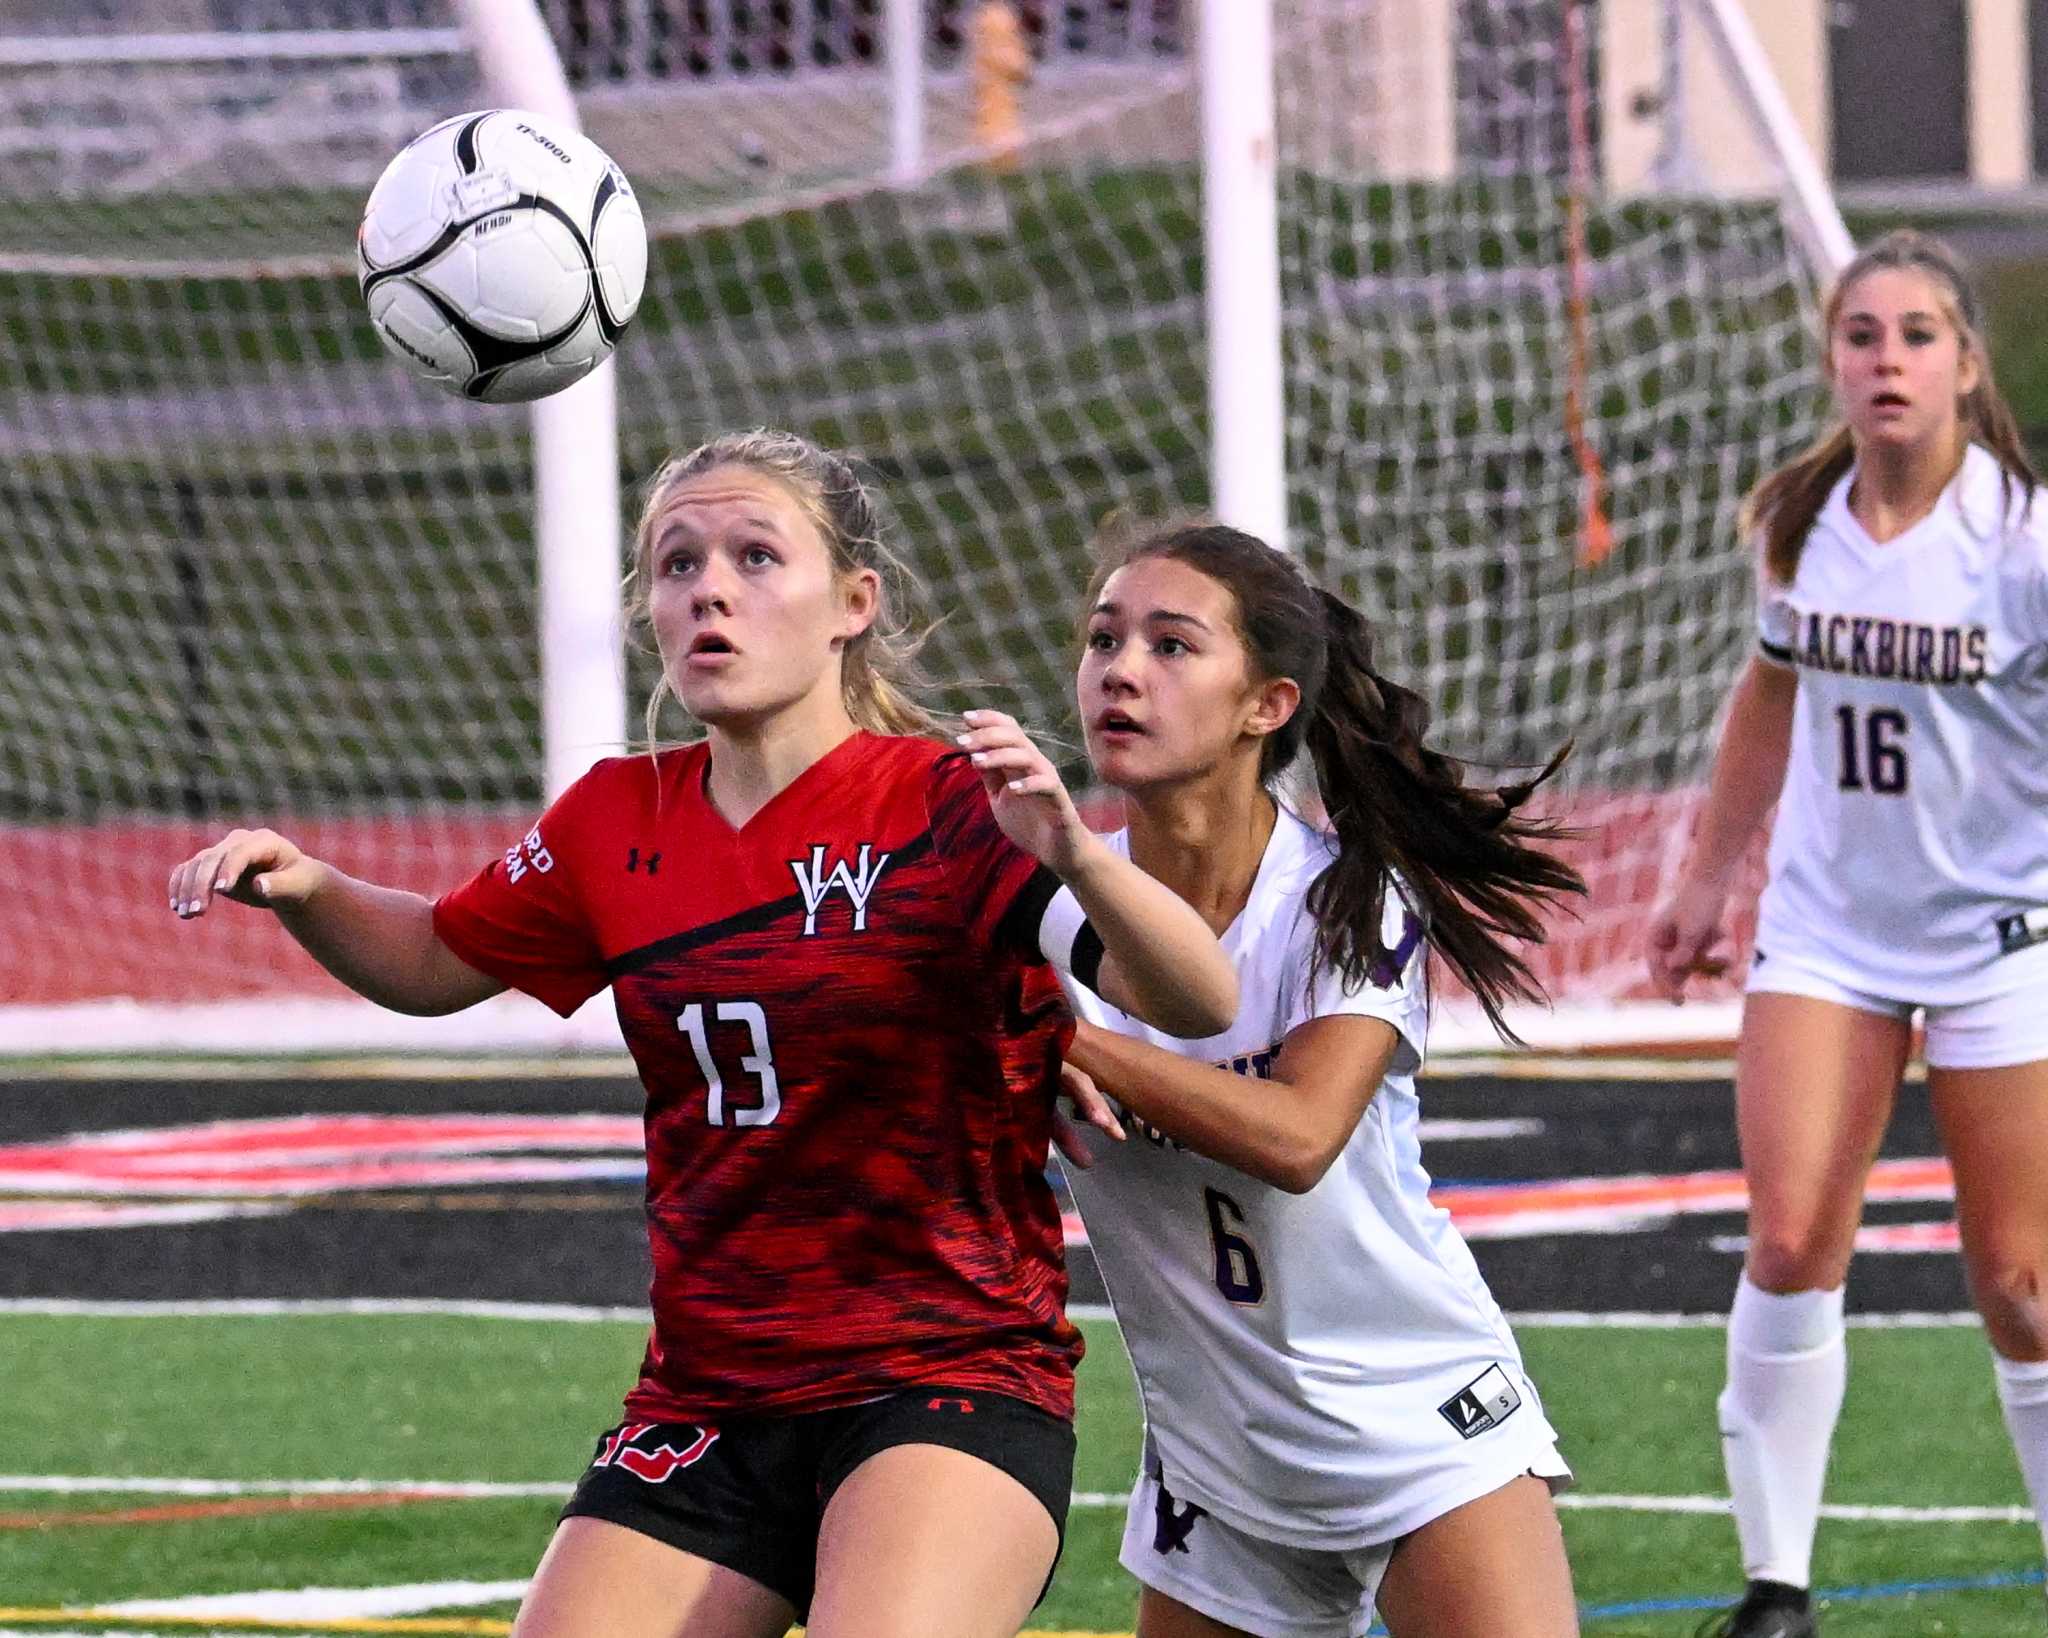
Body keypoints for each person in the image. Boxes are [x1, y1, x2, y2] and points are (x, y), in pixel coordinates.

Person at [165, 429, 1238, 1638]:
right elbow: (429, 961)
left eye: (753, 556)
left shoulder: (942, 805)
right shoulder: (613, 818)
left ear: (851, 603)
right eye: (677, 565)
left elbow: (1196, 999)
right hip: (710, 1395)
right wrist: (306, 886)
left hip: (943, 1384)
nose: (709, 589)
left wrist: (1077, 856)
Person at [1046, 519, 1585, 1638]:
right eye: (1104, 639)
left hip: (1418, 1424)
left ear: (1267, 704)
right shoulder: (1046, 914)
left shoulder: (1346, 898)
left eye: (1170, 644)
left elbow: (1296, 1139)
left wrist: (1067, 1044)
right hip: (1218, 1458)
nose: (1121, 669)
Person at [1646, 229, 2048, 1638]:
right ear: (1833, 359)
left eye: (1918, 334)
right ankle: (1777, 1590)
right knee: (1793, 1230)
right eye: (1863, 334)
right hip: (1828, 930)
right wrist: (1707, 871)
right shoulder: (1799, 519)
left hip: (2004, 930)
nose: (1888, 359)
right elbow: (1770, 691)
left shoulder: (2025, 543)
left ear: (1966, 364)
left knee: (2024, 1284)